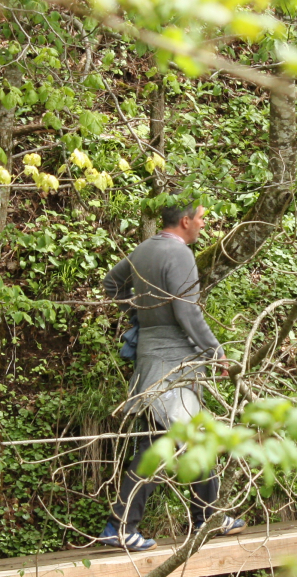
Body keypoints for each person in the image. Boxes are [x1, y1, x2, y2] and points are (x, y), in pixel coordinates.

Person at [100, 203, 245, 551]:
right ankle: (121, 526)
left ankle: (207, 517)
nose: (204, 224)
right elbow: (187, 311)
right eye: (201, 218)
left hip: (153, 352)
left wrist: (140, 313)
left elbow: (111, 283)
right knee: (164, 443)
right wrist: (216, 352)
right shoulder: (179, 255)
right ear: (185, 221)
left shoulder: (145, 248)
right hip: (174, 361)